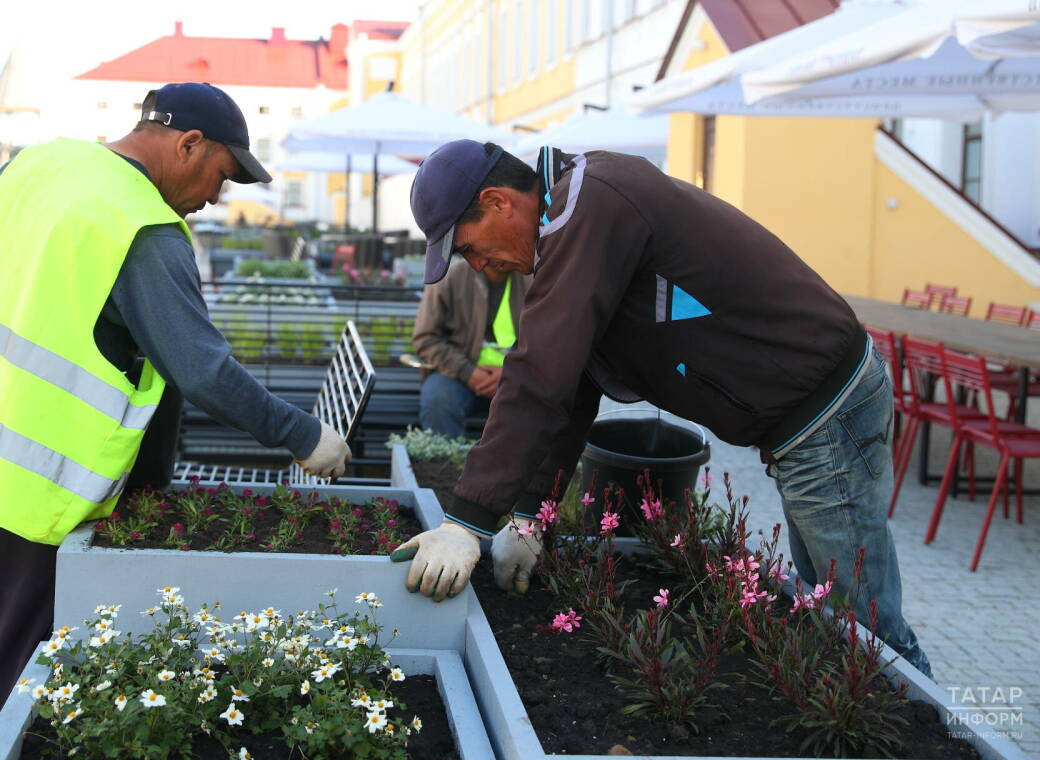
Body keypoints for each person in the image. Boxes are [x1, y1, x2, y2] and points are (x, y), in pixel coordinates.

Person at [0, 82, 352, 759]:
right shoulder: (141, 226)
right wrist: (303, 435)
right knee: (9, 677)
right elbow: (201, 371)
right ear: (189, 144)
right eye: (220, 176)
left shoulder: (39, 164)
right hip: (33, 486)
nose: (214, 199)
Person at [391, 139, 931, 677]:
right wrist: (533, 512)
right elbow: (572, 384)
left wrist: (467, 522)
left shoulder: (593, 199)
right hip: (806, 424)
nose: (480, 267)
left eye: (466, 247)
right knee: (833, 618)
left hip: (827, 413)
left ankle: (938, 733)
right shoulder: (571, 226)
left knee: (868, 640)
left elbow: (538, 375)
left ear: (499, 202)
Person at [411, 256, 529, 438]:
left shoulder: (534, 278)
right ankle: (442, 463)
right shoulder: (447, 276)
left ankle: (523, 465)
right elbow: (426, 338)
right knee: (439, 399)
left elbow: (550, 341)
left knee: (544, 400)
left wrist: (511, 373)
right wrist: (468, 373)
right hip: (457, 376)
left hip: (517, 378)